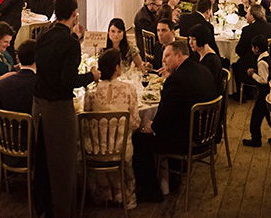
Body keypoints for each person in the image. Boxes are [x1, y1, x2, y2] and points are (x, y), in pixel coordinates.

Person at [33, 0, 100, 218]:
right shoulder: (68, 42)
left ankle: (42, 207)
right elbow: (68, 80)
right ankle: (63, 212)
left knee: (42, 162)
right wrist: (90, 76)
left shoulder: (43, 36)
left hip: (39, 106)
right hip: (59, 109)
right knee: (63, 165)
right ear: (74, 14)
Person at [132, 39, 217, 202]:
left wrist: (152, 126)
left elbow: (165, 115)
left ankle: (152, 191)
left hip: (187, 139)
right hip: (206, 134)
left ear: (179, 56)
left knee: (138, 139)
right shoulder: (203, 70)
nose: (163, 60)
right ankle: (174, 178)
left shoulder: (176, 80)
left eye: (167, 55)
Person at [84, 48, 140, 209]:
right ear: (117, 67)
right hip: (120, 149)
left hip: (94, 150)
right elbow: (135, 123)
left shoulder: (91, 91)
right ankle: (125, 197)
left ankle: (103, 194)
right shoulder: (129, 90)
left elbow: (86, 120)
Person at [235, 4, 271, 85]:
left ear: (252, 16)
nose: (246, 16)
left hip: (254, 64)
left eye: (247, 13)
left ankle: (240, 94)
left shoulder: (248, 30)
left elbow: (239, 50)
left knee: (235, 64)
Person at [243, 36, 271, 147]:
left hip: (263, 93)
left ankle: (256, 138)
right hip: (269, 93)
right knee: (268, 116)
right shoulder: (267, 57)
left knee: (256, 117)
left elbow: (263, 80)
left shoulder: (262, 62)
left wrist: (253, 74)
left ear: (256, 48)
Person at [0, 39, 37, 113]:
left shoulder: (2, 83)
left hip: (5, 123)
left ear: (18, 59)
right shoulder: (39, 84)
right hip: (30, 123)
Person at [190, 25, 224, 94]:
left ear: (201, 39)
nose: (190, 43)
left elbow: (208, 85)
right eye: (189, 39)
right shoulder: (197, 55)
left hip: (208, 96)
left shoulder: (212, 61)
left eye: (193, 39)